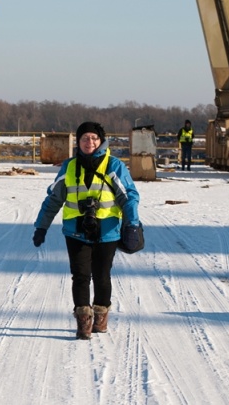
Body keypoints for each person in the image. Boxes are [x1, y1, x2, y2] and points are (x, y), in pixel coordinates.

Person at [32, 121, 141, 340]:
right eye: (84, 138)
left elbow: (129, 197)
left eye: (93, 138)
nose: (89, 142)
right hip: (75, 231)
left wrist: (132, 224)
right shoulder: (69, 167)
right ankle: (83, 320)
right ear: (78, 142)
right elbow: (53, 200)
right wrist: (41, 227)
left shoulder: (114, 165)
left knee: (102, 276)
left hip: (108, 231)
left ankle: (101, 315)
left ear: (101, 141)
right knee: (80, 276)